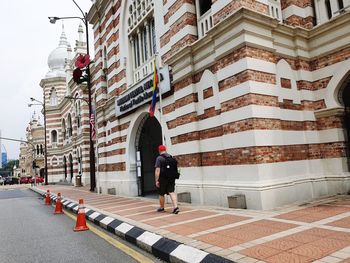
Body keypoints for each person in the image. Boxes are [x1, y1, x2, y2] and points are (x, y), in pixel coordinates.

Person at [154, 144, 179, 214]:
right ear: (165, 150)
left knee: (161, 193)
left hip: (163, 178)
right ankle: (176, 207)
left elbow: (157, 170)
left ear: (159, 150)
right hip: (171, 177)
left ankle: (162, 208)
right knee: (171, 191)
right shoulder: (171, 157)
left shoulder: (159, 158)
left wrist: (156, 180)